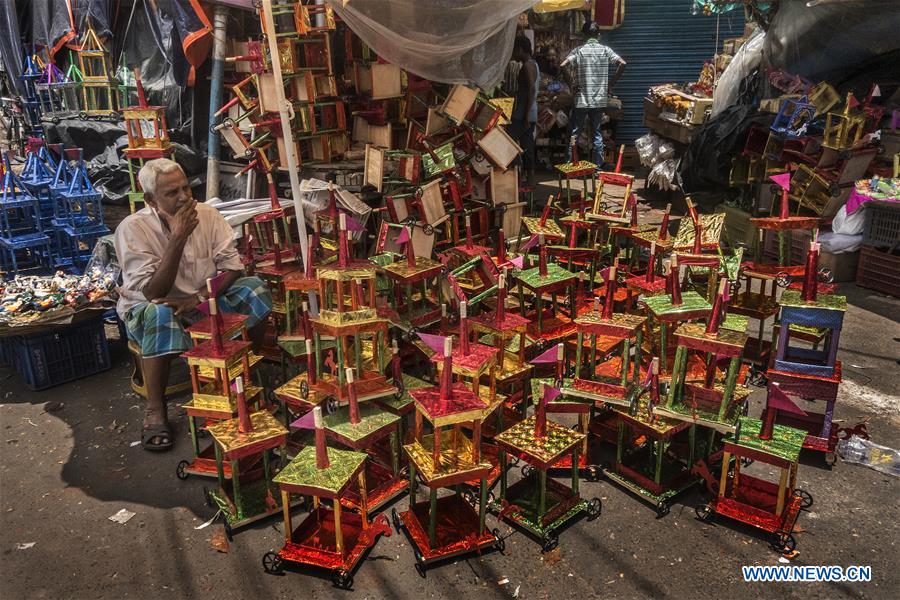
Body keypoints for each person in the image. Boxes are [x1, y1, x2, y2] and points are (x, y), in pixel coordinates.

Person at [115, 158, 272, 451]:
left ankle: (247, 375)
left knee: (255, 289)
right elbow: (153, 292)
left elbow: (232, 268)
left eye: (186, 187)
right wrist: (177, 237)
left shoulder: (209, 215)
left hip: (202, 300)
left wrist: (198, 297)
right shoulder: (132, 229)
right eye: (172, 193)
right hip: (152, 309)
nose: (184, 197)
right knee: (159, 313)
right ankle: (155, 410)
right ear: (150, 200)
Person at [561, 20, 626, 168]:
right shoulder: (606, 50)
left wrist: (571, 83)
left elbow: (563, 65)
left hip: (582, 99)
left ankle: (569, 165)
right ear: (598, 35)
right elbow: (622, 63)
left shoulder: (579, 51)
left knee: (575, 132)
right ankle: (597, 167)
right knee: (597, 134)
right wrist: (611, 83)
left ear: (584, 36)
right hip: (599, 99)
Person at [510, 34, 540, 188]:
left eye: (515, 49)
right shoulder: (534, 64)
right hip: (527, 112)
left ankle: (517, 175)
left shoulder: (528, 66)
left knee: (509, 142)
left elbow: (531, 90)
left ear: (520, 49)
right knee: (526, 144)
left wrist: (526, 116)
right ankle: (528, 177)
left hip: (523, 113)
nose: (513, 53)